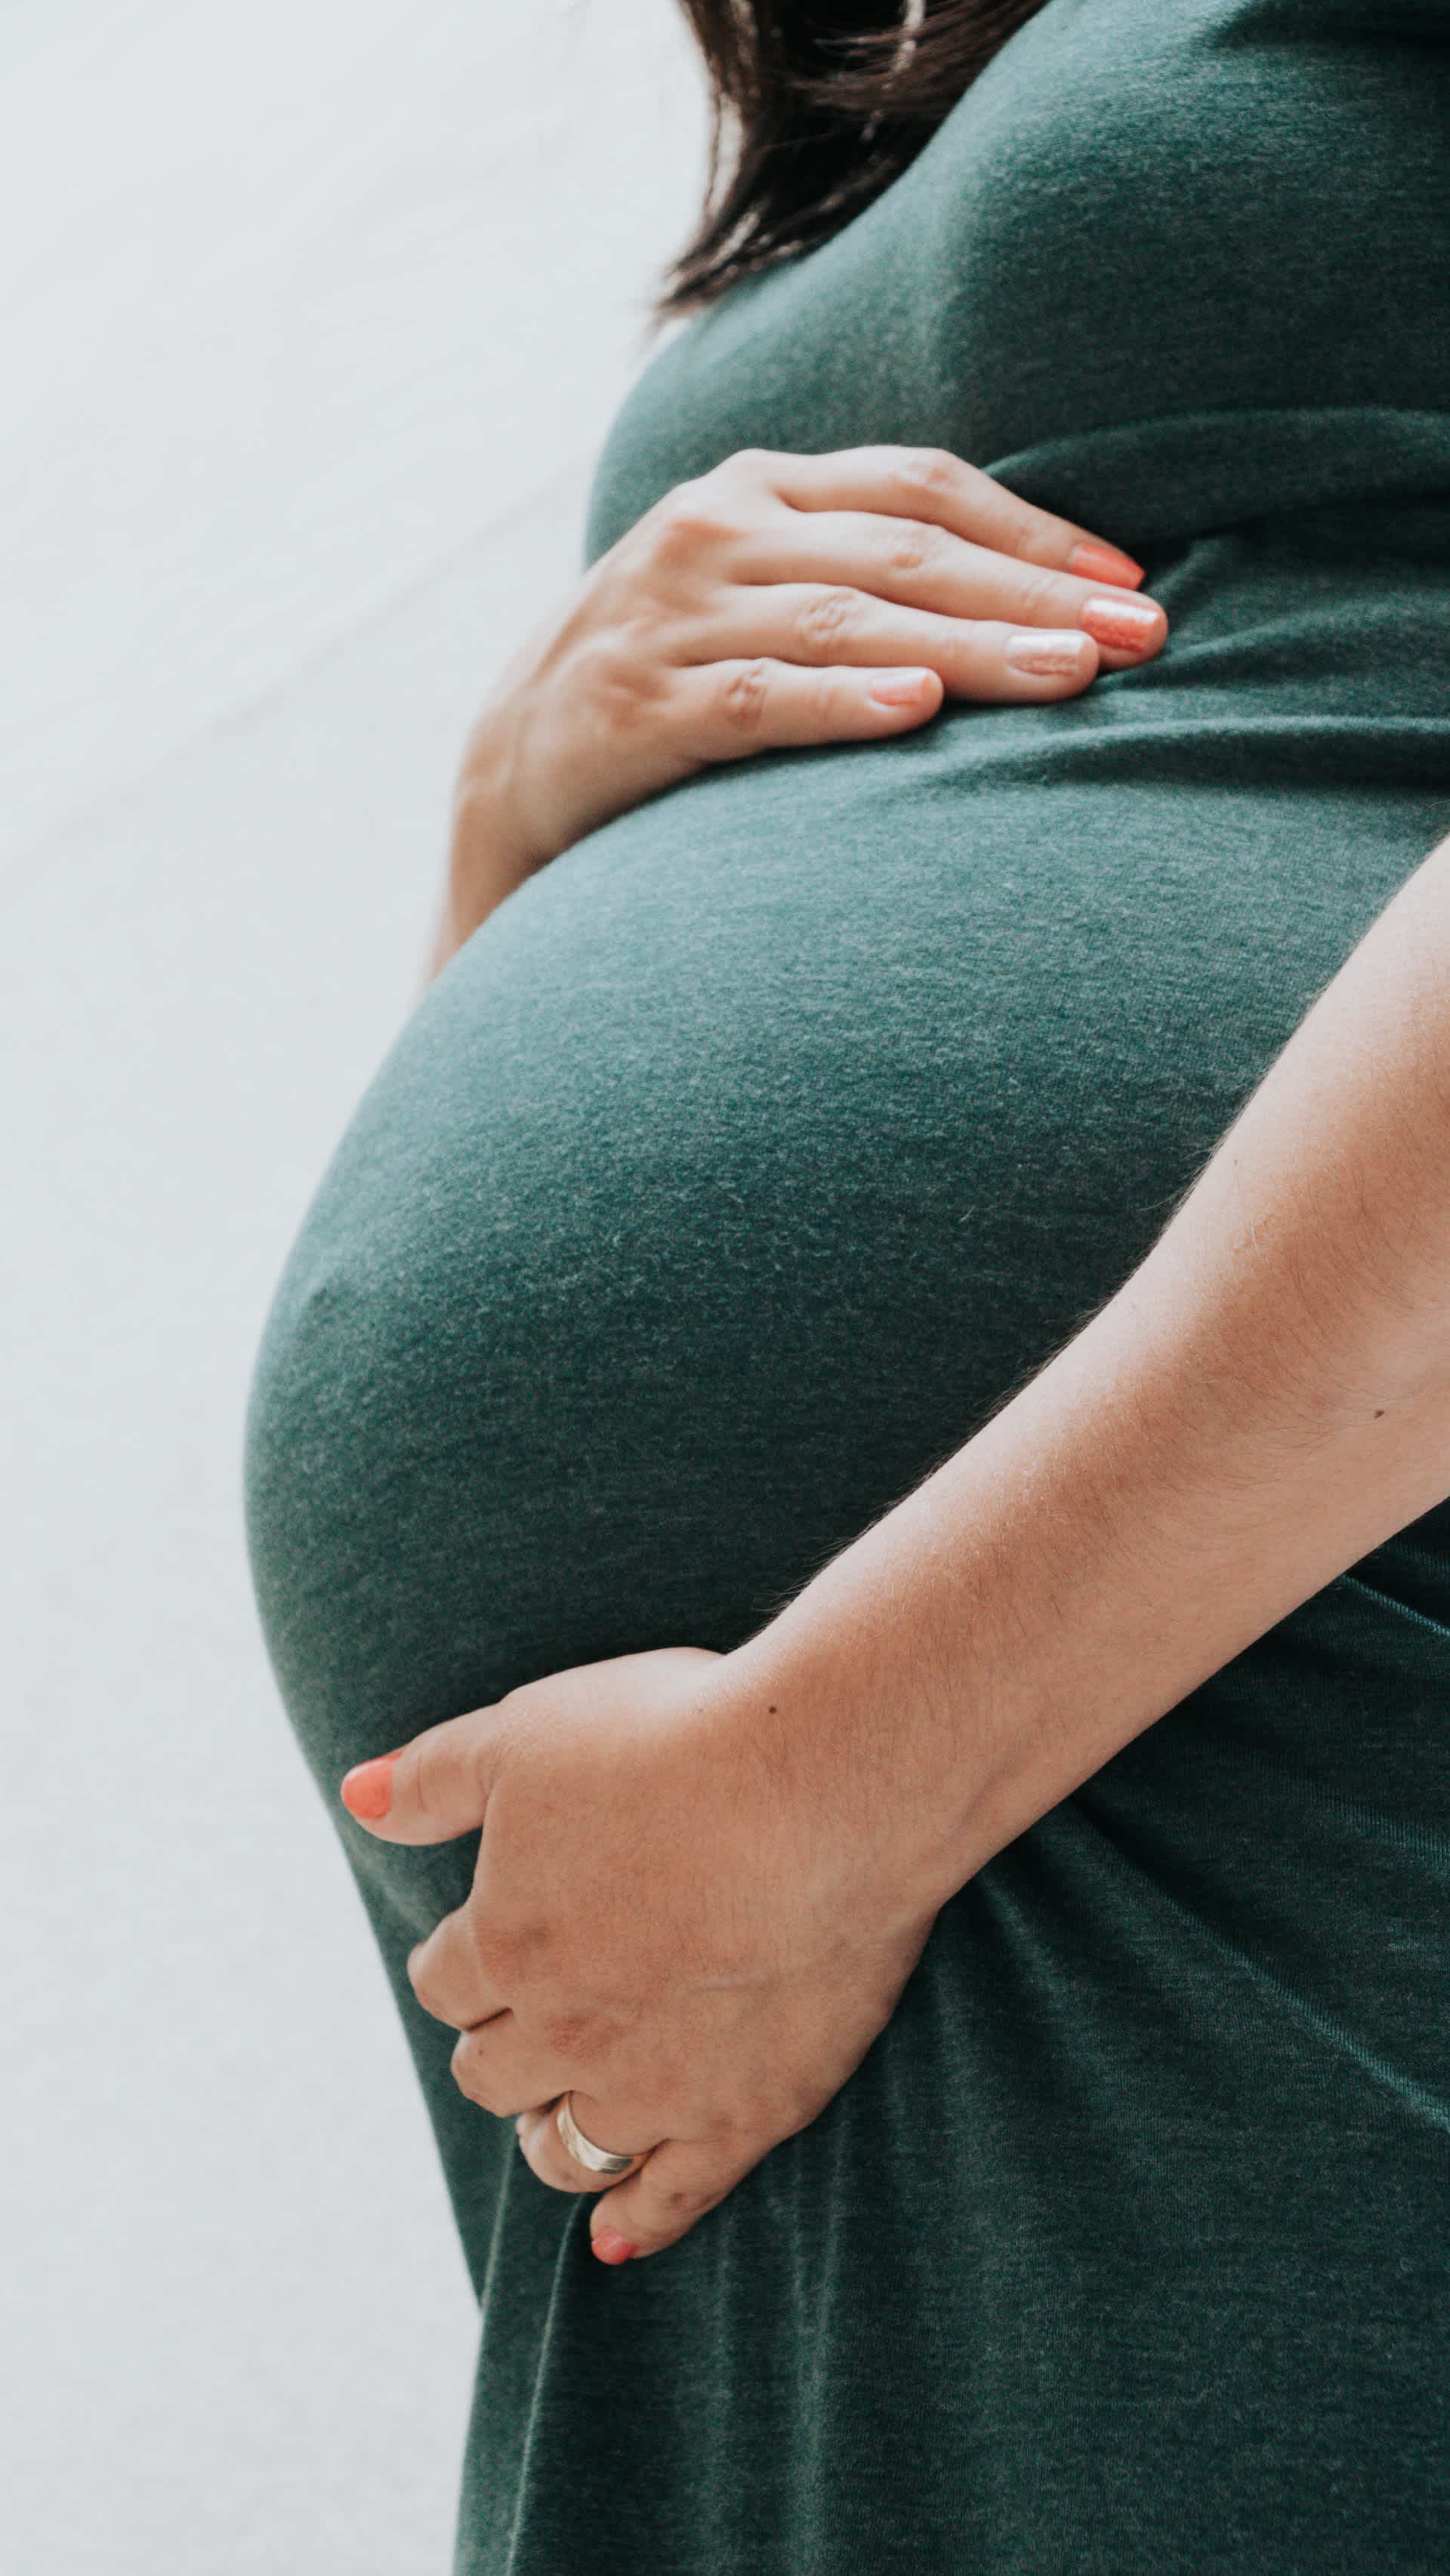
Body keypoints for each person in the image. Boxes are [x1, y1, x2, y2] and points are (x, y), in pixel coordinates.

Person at [244, 2, 1450, 2566]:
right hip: (714, 2019)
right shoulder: (897, 81)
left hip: (1255, 1714)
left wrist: (850, 1758)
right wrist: (519, 818)